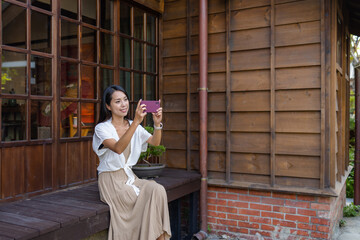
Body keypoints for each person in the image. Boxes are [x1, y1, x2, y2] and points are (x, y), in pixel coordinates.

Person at [92, 85, 171, 240]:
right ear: (108, 106)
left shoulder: (132, 124)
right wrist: (136, 121)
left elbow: (155, 142)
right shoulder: (102, 128)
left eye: (125, 100)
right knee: (136, 199)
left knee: (158, 190)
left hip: (130, 178)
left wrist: (157, 124)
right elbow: (118, 148)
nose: (124, 104)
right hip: (111, 181)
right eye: (118, 101)